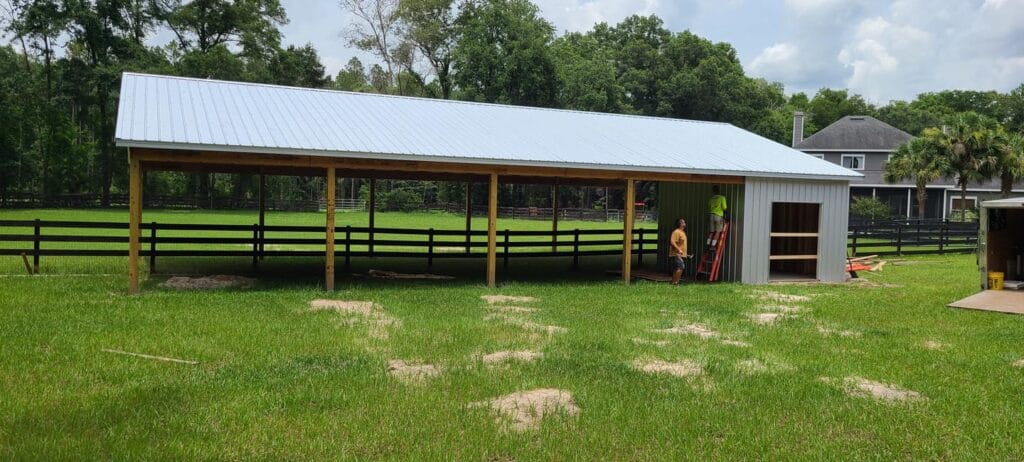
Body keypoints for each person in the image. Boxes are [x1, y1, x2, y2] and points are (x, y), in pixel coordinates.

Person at [669, 218, 689, 285]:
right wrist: (678, 249)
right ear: (679, 224)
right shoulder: (676, 232)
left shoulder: (682, 232)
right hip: (676, 254)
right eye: (683, 222)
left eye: (684, 222)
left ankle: (673, 283)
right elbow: (672, 242)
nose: (684, 224)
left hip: (680, 254)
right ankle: (676, 283)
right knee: (681, 267)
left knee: (677, 268)